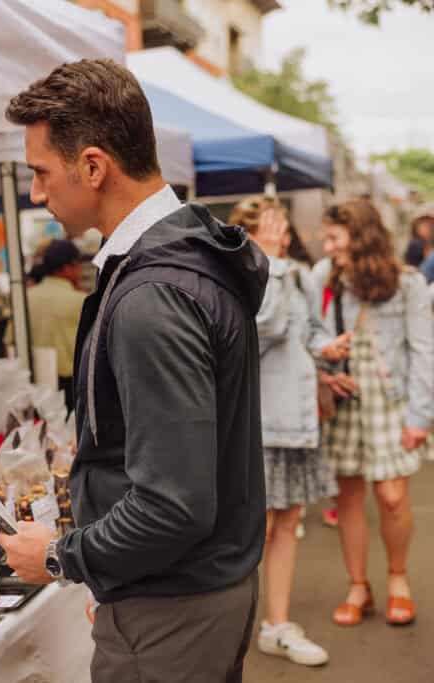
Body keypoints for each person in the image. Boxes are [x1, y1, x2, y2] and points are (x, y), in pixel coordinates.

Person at [0, 58, 268, 682]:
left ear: (93, 166)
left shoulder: (154, 293)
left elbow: (173, 505)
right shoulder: (179, 259)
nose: (36, 194)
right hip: (184, 591)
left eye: (40, 173)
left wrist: (65, 558)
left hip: (174, 605)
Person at [230, 196, 348, 667]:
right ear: (249, 233)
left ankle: (275, 624)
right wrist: (273, 267)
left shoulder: (295, 274)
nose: (282, 228)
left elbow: (307, 331)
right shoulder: (248, 278)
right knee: (254, 528)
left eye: (281, 221)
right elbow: (266, 331)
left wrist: (329, 348)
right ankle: (236, 623)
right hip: (262, 423)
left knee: (287, 525)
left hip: (297, 421)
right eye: (271, 222)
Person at [318, 198, 432, 628]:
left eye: (334, 237)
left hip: (390, 400)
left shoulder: (407, 284)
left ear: (359, 236)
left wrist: (421, 417)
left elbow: (424, 350)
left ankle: (398, 579)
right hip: (346, 399)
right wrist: (325, 365)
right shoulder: (329, 280)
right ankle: (358, 586)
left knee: (392, 496)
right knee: (347, 496)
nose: (327, 247)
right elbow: (315, 334)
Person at [25, 239, 86, 411]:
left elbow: (9, 342)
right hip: (71, 387)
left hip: (34, 383)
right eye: (78, 266)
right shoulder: (80, 301)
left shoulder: (26, 299)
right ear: (68, 268)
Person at [411, 205, 434, 280]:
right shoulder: (416, 244)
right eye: (424, 224)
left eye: (430, 225)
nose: (428, 228)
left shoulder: (428, 242)